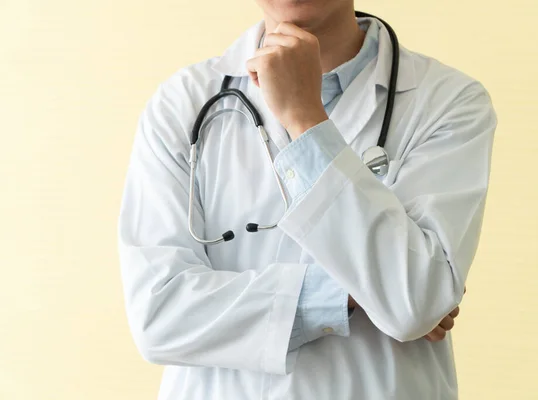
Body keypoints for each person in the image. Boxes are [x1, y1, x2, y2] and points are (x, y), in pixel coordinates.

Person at [118, 0, 497, 399]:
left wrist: (305, 117)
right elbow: (159, 315)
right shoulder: (182, 103)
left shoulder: (449, 103)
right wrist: (351, 293)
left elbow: (413, 301)